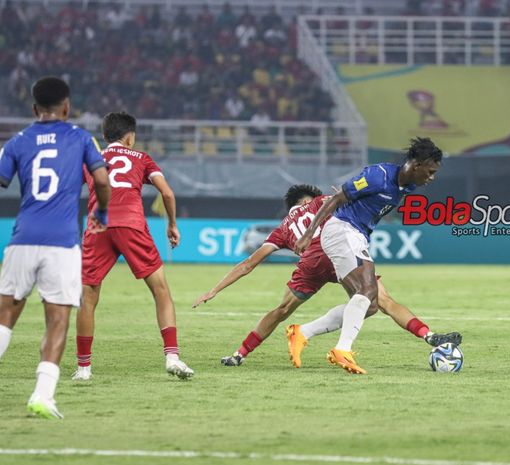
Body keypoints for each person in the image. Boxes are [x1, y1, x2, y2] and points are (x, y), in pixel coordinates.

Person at [192, 184, 460, 367]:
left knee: (282, 308)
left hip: (310, 263)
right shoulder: (320, 202)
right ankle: (428, 335)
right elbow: (349, 200)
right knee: (379, 302)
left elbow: (249, 264)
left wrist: (215, 289)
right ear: (307, 200)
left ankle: (239, 354)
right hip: (336, 249)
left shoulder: (282, 229)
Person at [0, 76, 111, 419]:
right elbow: (102, 179)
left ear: (34, 108)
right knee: (58, 319)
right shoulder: (80, 138)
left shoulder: (17, 141)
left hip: (23, 240)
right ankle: (43, 395)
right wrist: (101, 212)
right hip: (62, 243)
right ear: (67, 107)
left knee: (4, 317)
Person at [295, 137, 442, 374]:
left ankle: (302, 332)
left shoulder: (409, 186)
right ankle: (342, 350)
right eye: (431, 171)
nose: (432, 177)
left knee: (370, 305)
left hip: (357, 236)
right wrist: (308, 234)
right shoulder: (378, 175)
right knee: (368, 289)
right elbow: (336, 199)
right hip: (343, 229)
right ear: (417, 165)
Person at [72, 111, 194, 381]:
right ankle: (172, 356)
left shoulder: (92, 159)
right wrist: (172, 225)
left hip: (97, 225)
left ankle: (83, 369)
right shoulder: (142, 157)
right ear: (129, 137)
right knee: (161, 291)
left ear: (105, 137)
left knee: (87, 298)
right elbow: (167, 193)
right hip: (131, 223)